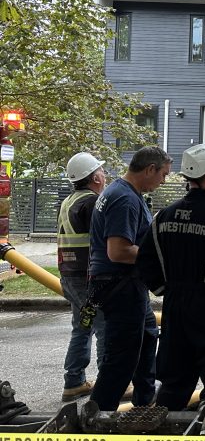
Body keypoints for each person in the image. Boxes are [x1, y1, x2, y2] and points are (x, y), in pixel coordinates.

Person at [136, 144, 205, 409]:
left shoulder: (163, 216)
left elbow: (145, 262)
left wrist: (167, 288)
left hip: (175, 310)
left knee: (174, 386)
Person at [87, 145, 171, 411]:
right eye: (163, 175)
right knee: (121, 360)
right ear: (150, 169)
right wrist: (162, 258)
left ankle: (145, 408)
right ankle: (97, 418)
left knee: (147, 341)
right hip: (120, 288)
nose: (164, 181)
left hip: (129, 286)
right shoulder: (124, 199)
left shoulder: (122, 192)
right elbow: (119, 250)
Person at [57, 152, 108, 401]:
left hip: (70, 277)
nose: (105, 175)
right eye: (102, 171)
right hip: (87, 279)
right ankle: (108, 383)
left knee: (83, 327)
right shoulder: (91, 203)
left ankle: (74, 382)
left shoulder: (70, 200)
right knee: (104, 327)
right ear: (95, 177)